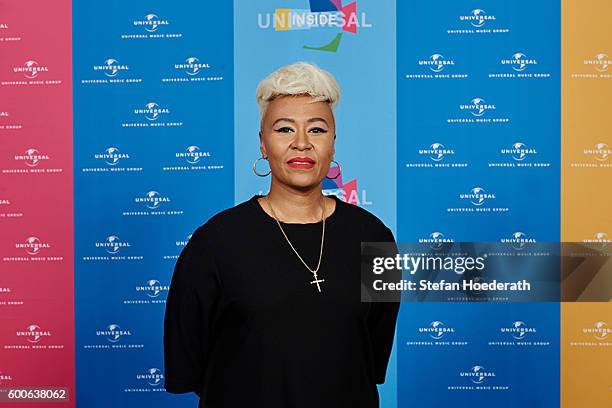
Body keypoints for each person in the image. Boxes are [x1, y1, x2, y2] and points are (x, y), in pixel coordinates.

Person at [163, 61, 400, 408]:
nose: (301, 144)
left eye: (317, 130)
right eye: (285, 129)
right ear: (262, 143)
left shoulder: (375, 237)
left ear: (333, 143)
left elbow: (371, 358)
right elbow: (190, 365)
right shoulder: (215, 242)